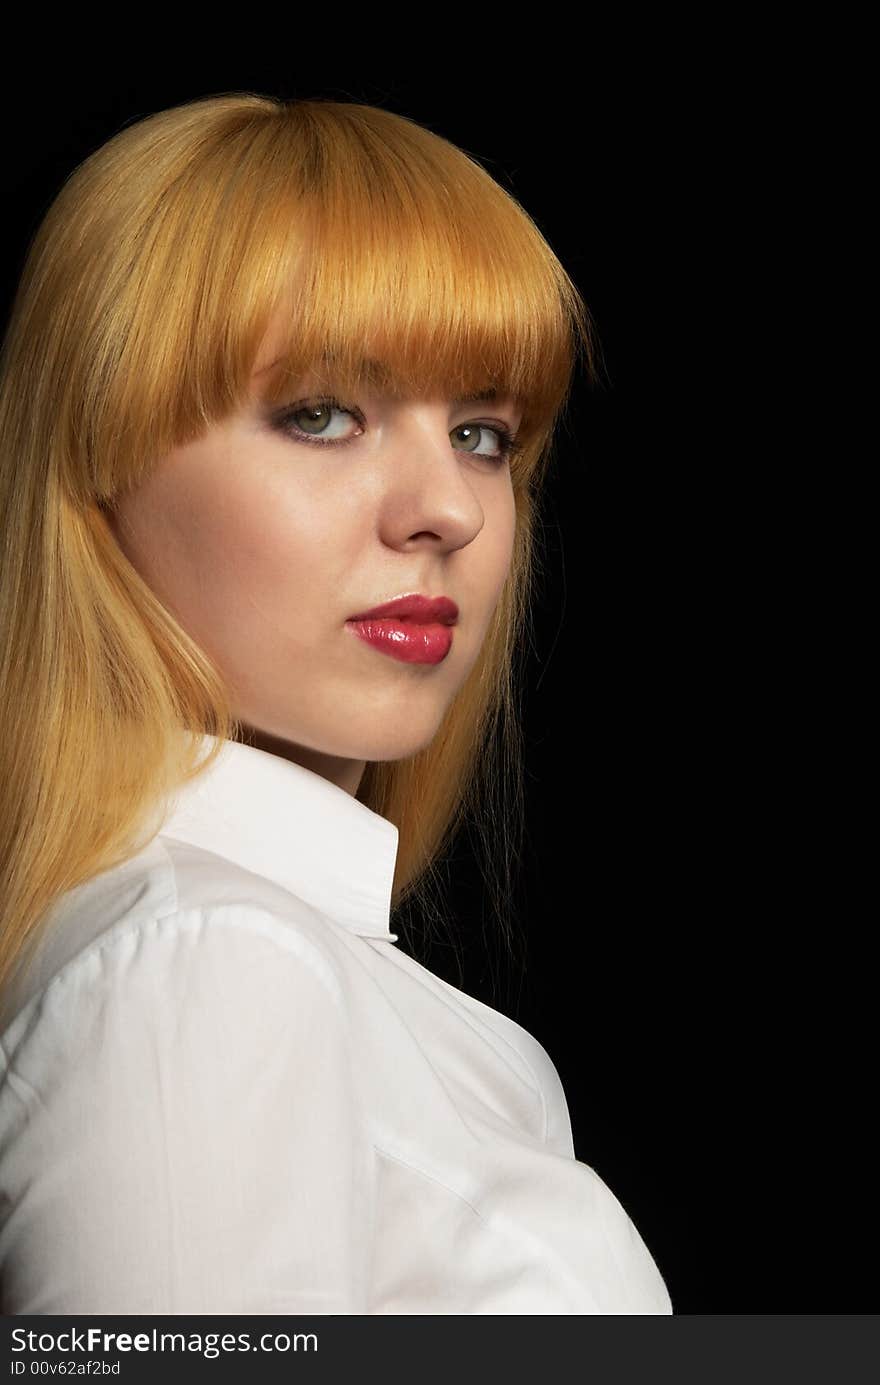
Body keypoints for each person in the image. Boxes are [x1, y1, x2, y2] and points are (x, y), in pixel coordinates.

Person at [0, 93, 673, 1315]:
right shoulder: (207, 962)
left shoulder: (270, 961)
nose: (448, 509)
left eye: (482, 432)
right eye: (322, 414)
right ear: (99, 460)